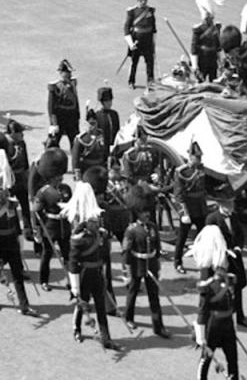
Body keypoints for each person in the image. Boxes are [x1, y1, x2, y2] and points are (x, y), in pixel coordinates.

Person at [63, 180, 121, 350]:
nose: (97, 224)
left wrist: (102, 270)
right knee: (83, 304)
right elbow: (73, 264)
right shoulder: (78, 239)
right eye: (94, 222)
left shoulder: (99, 235)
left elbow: (102, 256)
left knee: (101, 307)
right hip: (83, 274)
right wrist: (75, 287)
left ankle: (106, 338)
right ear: (87, 223)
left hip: (96, 273)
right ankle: (76, 328)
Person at [0, 149, 36, 315]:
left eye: (5, 190)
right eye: (1, 191)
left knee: (18, 276)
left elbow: (16, 227)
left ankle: (24, 304)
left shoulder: (12, 204)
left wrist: (21, 245)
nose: (4, 193)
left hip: (12, 243)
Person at [190, 225, 239, 380]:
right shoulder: (207, 279)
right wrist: (200, 334)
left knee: (233, 359)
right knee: (206, 360)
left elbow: (232, 301)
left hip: (227, 323)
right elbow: (203, 307)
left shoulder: (227, 277)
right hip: (213, 324)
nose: (224, 265)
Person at [122, 184, 171, 338]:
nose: (147, 214)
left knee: (154, 296)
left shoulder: (152, 227)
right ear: (137, 212)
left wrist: (157, 266)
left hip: (151, 265)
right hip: (137, 265)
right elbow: (126, 252)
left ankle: (158, 326)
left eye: (148, 211)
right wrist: (128, 272)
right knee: (133, 292)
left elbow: (157, 248)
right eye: (143, 212)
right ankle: (128, 317)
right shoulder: (131, 230)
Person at [206, 191, 247, 328]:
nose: (231, 206)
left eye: (232, 203)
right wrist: (221, 252)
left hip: (234, 258)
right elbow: (209, 241)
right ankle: (214, 317)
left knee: (238, 287)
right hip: (220, 260)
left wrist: (238, 247)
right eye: (228, 203)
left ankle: (240, 316)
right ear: (220, 204)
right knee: (218, 288)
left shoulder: (234, 216)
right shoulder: (212, 218)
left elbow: (240, 234)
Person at [31, 151, 72, 291]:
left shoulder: (66, 189)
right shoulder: (43, 192)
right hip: (50, 227)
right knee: (46, 255)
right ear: (51, 177)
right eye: (57, 176)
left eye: (60, 176)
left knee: (68, 256)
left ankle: (71, 280)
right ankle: (44, 281)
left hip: (64, 226)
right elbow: (36, 211)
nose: (60, 178)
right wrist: (37, 230)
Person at [173, 141, 210, 273]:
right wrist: (184, 213)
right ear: (190, 157)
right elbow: (178, 195)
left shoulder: (202, 170)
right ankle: (177, 262)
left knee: (203, 238)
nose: (199, 160)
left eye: (200, 157)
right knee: (182, 238)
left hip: (200, 208)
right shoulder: (182, 172)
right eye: (197, 157)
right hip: (188, 208)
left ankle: (204, 262)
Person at [124, 0, 156, 89]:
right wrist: (130, 44)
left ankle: (150, 81)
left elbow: (153, 29)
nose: (143, 2)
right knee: (134, 63)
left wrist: (154, 43)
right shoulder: (132, 12)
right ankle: (131, 81)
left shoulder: (151, 11)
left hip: (147, 40)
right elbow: (126, 29)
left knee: (150, 63)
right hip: (136, 40)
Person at [191, 0, 223, 82]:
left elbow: (218, 47)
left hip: (213, 60)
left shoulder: (216, 28)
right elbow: (194, 49)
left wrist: (221, 61)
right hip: (202, 60)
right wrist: (195, 66)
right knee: (201, 83)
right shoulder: (198, 30)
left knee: (214, 82)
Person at [47, 59, 79, 148]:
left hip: (71, 117)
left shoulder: (72, 84)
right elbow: (51, 106)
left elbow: (76, 102)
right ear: (61, 73)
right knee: (53, 143)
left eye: (69, 72)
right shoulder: (55, 86)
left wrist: (77, 117)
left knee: (75, 144)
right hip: (60, 117)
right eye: (67, 72)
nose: (69, 74)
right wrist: (53, 123)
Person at [70, 107, 106, 179]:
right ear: (86, 124)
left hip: (99, 167)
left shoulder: (100, 134)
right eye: (91, 123)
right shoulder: (81, 138)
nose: (93, 126)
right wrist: (77, 172)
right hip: (86, 169)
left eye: (94, 123)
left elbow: (104, 151)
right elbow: (75, 158)